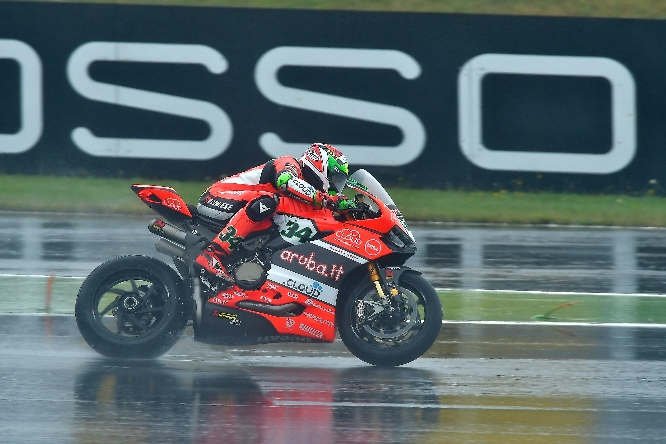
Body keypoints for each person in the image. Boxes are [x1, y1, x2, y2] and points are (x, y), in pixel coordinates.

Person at [195, 142, 354, 285]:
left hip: (240, 209)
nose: (335, 187)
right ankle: (213, 255)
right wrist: (327, 200)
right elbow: (285, 181)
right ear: (321, 166)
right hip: (217, 198)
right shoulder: (290, 163)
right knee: (268, 201)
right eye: (335, 178)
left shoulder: (310, 194)